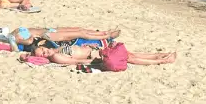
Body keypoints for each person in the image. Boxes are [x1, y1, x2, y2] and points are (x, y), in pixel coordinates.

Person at [23, 41, 175, 66]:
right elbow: (76, 61)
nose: (46, 52)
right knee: (130, 58)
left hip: (95, 50)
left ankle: (159, 55)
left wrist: (87, 45)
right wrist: (98, 62)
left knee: (131, 54)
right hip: (97, 56)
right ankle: (161, 60)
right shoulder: (56, 56)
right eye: (43, 54)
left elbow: (76, 50)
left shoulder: (55, 50)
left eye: (43, 50)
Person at [9, 27, 120, 48]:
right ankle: (106, 35)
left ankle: (105, 34)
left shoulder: (18, 33)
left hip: (49, 32)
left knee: (80, 31)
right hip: (48, 34)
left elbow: (29, 40)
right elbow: (29, 41)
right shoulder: (17, 34)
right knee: (80, 32)